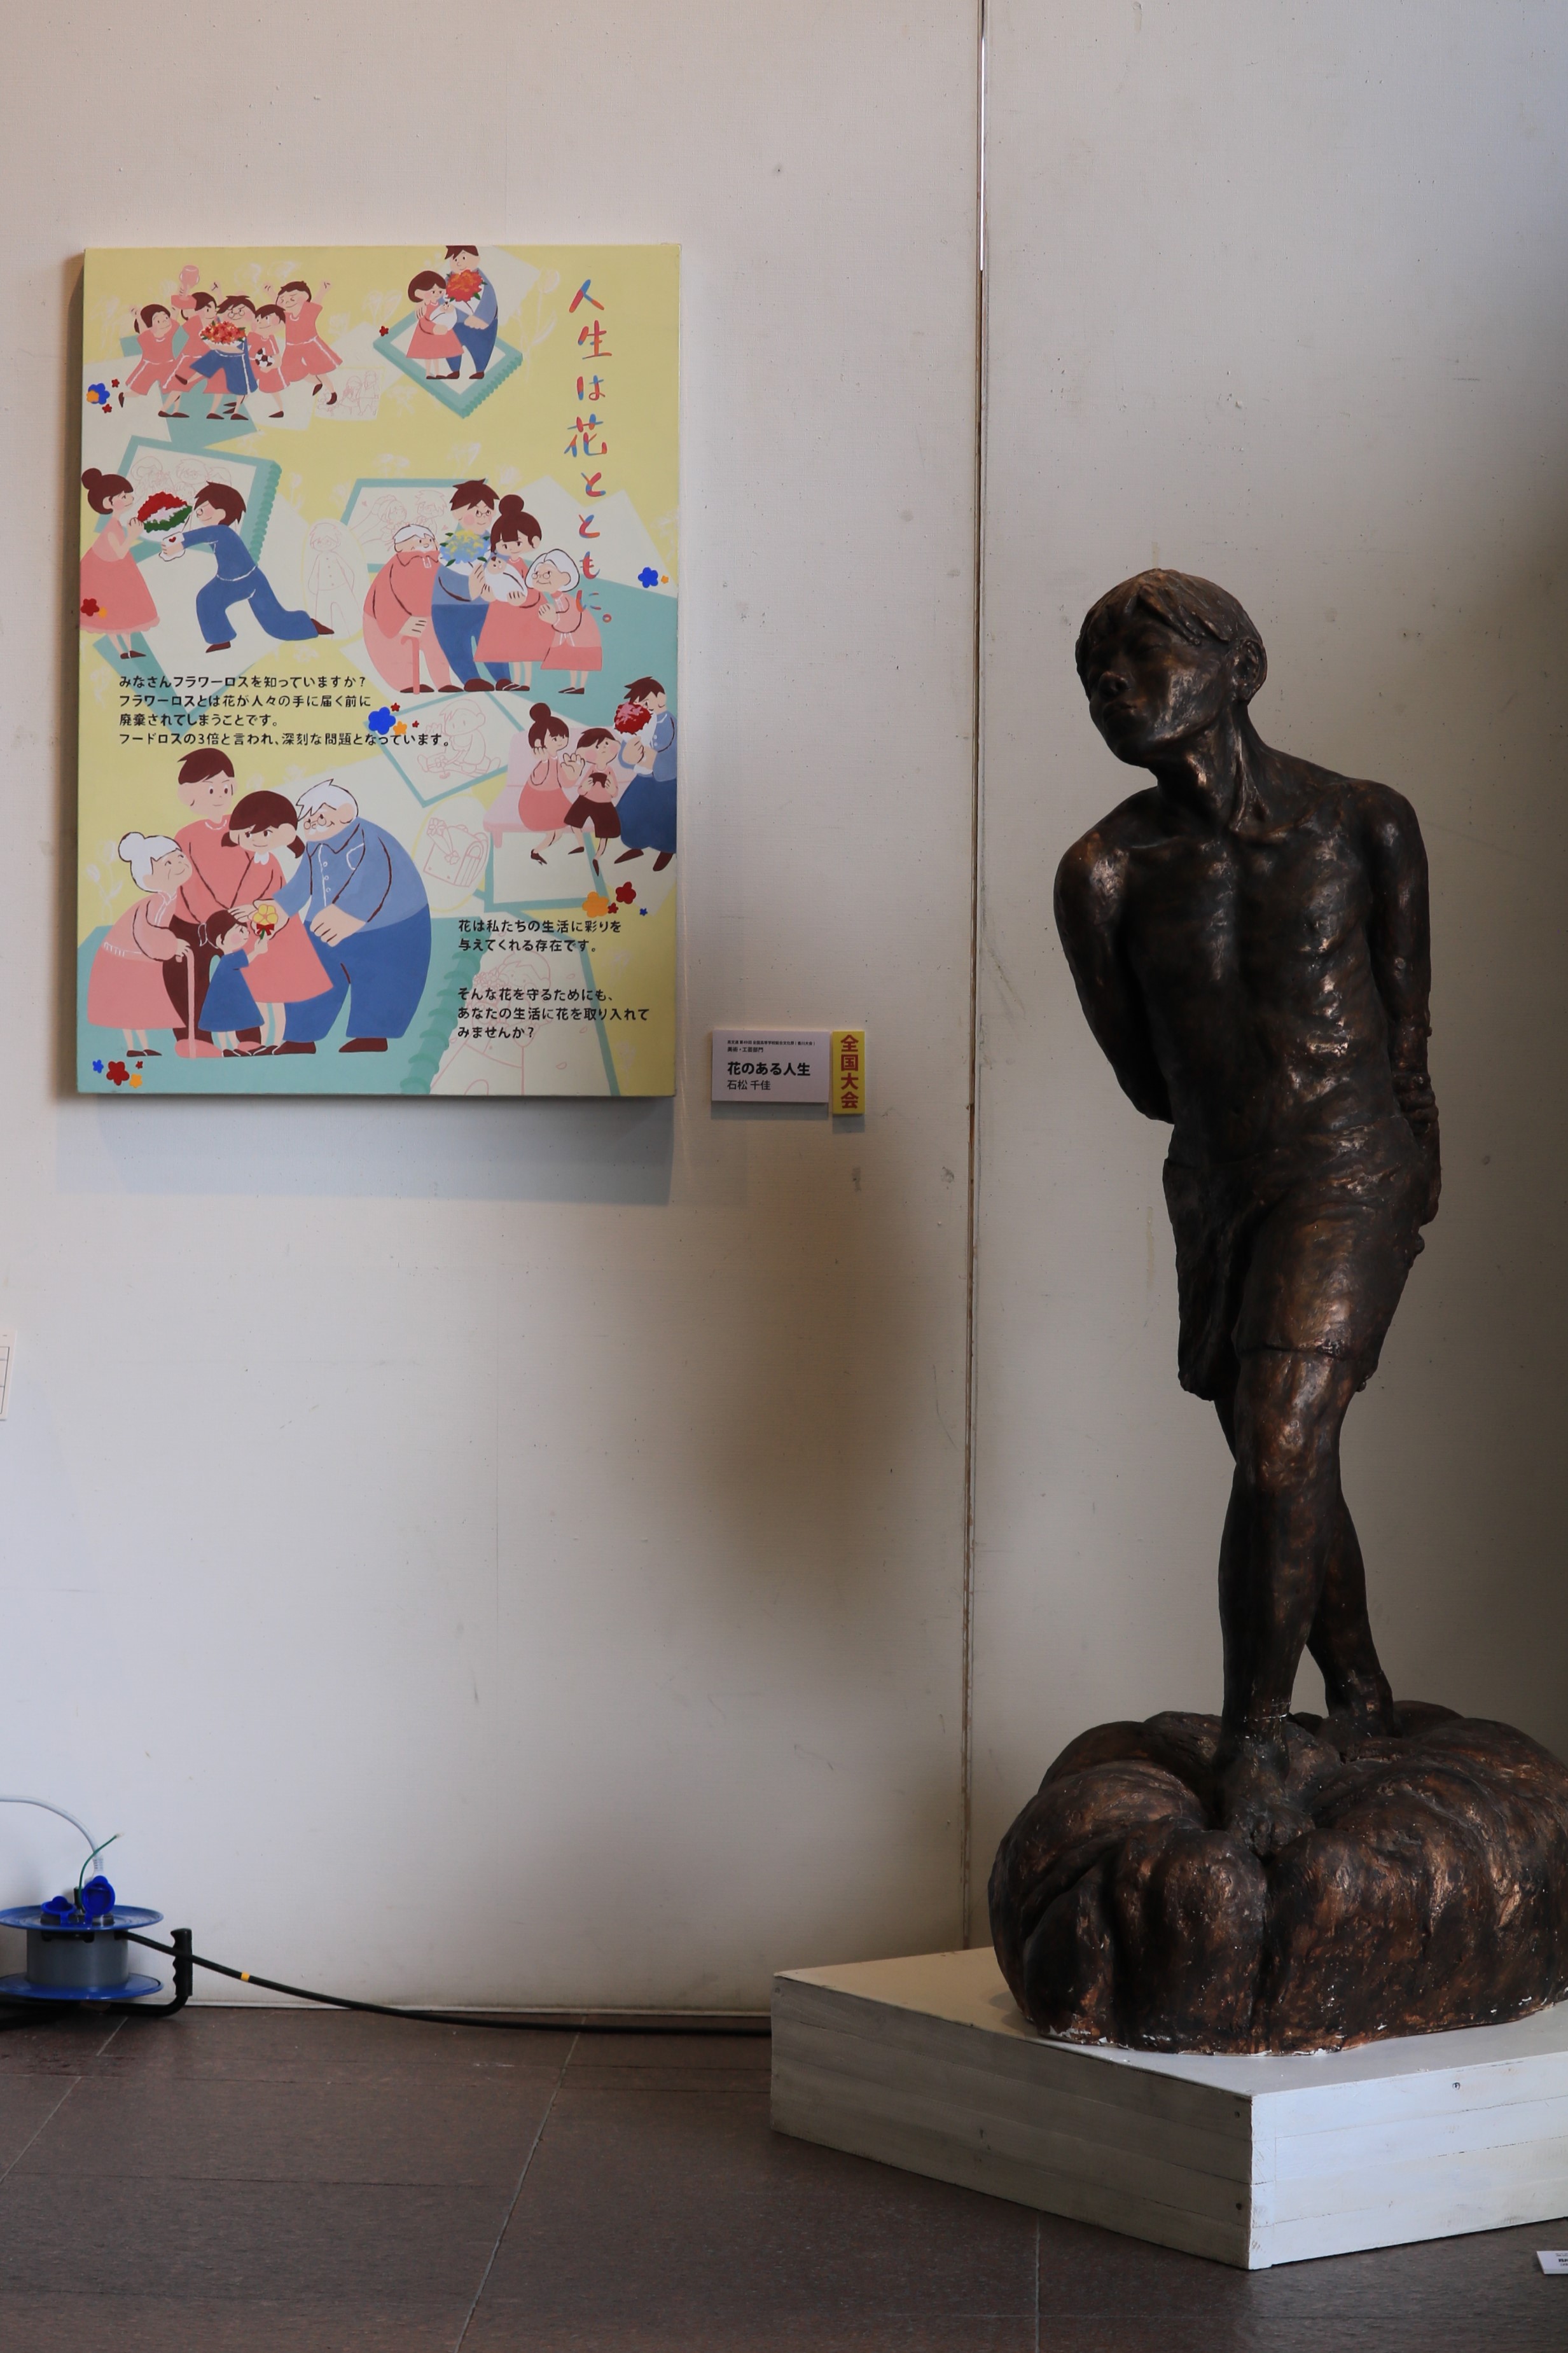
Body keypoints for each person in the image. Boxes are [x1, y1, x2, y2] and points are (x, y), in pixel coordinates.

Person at [1057, 569, 1440, 1856]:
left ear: (1240, 666)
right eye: (1093, 672)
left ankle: (1257, 1737)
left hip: (1349, 1166)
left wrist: (1411, 1163)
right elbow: (1142, 1078)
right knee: (1284, 1452)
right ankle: (1361, 1689)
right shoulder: (1103, 870)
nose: (1113, 683)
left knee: (1278, 1439)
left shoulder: (1364, 822)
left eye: (1142, 653)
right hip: (1220, 1187)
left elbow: (1405, 1023)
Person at [254, 782, 431, 1054]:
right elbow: (302, 883)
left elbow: (377, 878)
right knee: (309, 973)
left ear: (346, 813)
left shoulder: (371, 839)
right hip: (324, 923)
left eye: (320, 817)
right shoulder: (315, 847)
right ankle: (301, 1037)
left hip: (386, 926)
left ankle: (372, 1036)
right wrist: (279, 908)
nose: (313, 826)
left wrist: (351, 913)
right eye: (308, 821)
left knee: (380, 979)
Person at [196, 790, 331, 1051]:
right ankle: (256, 1042)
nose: (257, 840)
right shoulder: (247, 862)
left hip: (272, 932)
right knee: (254, 993)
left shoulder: (271, 864)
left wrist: (255, 912)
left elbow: (279, 899)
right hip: (250, 932)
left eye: (266, 833)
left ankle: (281, 1041)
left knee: (279, 991)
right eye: (249, 834)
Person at [159, 482, 333, 655]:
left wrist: (180, 543)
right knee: (206, 599)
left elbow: (202, 535)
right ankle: (221, 638)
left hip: (251, 582)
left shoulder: (223, 532)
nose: (199, 513)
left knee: (275, 624)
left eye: (204, 509)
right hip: (225, 582)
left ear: (221, 513)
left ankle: (309, 625)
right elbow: (202, 535)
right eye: (199, 510)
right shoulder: (217, 531)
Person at [162, 746, 261, 1046]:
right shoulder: (186, 835)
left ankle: (249, 1039)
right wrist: (212, 919)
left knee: (242, 973)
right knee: (183, 972)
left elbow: (258, 870)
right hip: (193, 922)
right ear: (188, 795)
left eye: (225, 786)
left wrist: (246, 910)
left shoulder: (246, 828)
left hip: (238, 919)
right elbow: (185, 884)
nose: (219, 794)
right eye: (209, 788)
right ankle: (195, 1039)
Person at [87, 833, 193, 1050]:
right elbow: (146, 933)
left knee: (140, 1006)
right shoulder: (157, 902)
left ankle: (144, 1048)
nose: (179, 864)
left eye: (180, 856)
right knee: (129, 1007)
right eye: (168, 863)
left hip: (140, 958)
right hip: (123, 959)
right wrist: (173, 946)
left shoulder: (174, 897)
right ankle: (132, 1048)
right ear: (149, 879)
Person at [486, 702, 582, 863]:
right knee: (559, 829)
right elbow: (538, 781)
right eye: (555, 738)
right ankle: (538, 852)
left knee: (561, 829)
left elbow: (565, 783)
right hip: (536, 805)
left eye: (563, 737)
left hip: (554, 800)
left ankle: (538, 852)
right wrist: (544, 762)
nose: (561, 741)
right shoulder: (543, 763)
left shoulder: (555, 759)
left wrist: (575, 773)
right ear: (539, 743)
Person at [362, 525, 451, 693]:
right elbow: (384, 597)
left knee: (438, 650)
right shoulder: (396, 566)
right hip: (395, 620)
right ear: (400, 547)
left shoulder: (439, 563)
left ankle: (444, 682)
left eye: (429, 540)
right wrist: (401, 622)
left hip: (432, 617)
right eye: (419, 541)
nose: (426, 544)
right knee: (399, 652)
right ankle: (406, 683)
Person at [80, 469, 158, 660]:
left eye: (128, 495)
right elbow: (120, 553)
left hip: (114, 574)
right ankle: (121, 651)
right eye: (123, 496)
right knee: (111, 617)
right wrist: (132, 535)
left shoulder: (115, 525)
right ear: (109, 502)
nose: (130, 498)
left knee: (122, 615)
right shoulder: (111, 528)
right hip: (105, 578)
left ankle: (129, 650)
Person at [430, 480, 501, 689]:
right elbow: (445, 579)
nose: (483, 517)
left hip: (484, 605)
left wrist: (495, 592)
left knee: (492, 642)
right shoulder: (452, 546)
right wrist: (469, 590)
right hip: (448, 608)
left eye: (488, 512)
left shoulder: (495, 544)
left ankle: (503, 678)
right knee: (456, 646)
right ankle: (471, 679)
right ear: (458, 514)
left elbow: (503, 571)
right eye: (477, 512)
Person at [475, 499, 547, 689]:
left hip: (523, 615)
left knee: (524, 653)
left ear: (534, 541)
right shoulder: (499, 565)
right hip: (505, 613)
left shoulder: (523, 566)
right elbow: (490, 585)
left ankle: (526, 682)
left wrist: (524, 600)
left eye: (517, 543)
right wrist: (488, 596)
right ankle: (516, 681)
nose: (511, 548)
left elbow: (533, 589)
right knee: (513, 652)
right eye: (505, 545)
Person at [611, 677, 676, 870]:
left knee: (664, 817)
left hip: (665, 783)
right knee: (630, 812)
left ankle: (666, 849)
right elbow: (626, 751)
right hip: (643, 780)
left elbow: (674, 755)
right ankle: (636, 845)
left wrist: (653, 760)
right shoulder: (641, 722)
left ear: (661, 698)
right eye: (640, 706)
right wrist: (628, 757)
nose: (645, 709)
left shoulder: (670, 723)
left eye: (647, 703)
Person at [530, 548, 600, 693]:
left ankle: (581, 686)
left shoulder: (566, 599)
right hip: (569, 633)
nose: (540, 578)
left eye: (547, 573)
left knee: (582, 659)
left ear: (565, 577)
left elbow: (571, 619)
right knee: (572, 660)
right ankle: (574, 685)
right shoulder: (556, 598)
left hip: (582, 634)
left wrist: (554, 619)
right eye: (537, 574)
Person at [275, 279, 340, 404]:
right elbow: (277, 306)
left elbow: (315, 303)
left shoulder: (307, 312)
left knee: (319, 370)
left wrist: (323, 290)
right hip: (292, 347)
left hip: (310, 345)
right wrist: (271, 292)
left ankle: (332, 392)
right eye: (283, 300)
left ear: (304, 298)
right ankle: (316, 382)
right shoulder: (287, 316)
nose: (287, 302)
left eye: (292, 298)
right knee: (289, 369)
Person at [564, 726, 621, 857]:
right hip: (586, 800)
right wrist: (585, 787)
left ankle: (598, 855)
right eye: (597, 747)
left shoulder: (610, 771)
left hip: (604, 804)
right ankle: (581, 845)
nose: (603, 749)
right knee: (574, 821)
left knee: (605, 832)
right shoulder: (592, 769)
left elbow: (615, 793)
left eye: (606, 744)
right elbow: (580, 790)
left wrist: (612, 789)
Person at [443, 244, 499, 380]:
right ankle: (454, 370)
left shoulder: (482, 281)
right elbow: (439, 295)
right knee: (451, 346)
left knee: (480, 347)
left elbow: (489, 300)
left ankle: (480, 370)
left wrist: (482, 317)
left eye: (463, 258)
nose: (459, 263)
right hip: (454, 323)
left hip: (479, 325)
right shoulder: (448, 280)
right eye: (455, 259)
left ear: (477, 259)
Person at [405, 270, 462, 378]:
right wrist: (433, 328)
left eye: (440, 291)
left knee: (436, 354)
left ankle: (437, 373)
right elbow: (424, 321)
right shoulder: (424, 306)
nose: (437, 294)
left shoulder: (438, 304)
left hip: (438, 333)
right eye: (433, 291)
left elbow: (442, 315)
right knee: (429, 355)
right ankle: (428, 373)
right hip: (427, 334)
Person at [120, 304, 180, 406]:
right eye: (158, 321)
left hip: (168, 365)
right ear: (150, 327)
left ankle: (176, 410)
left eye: (166, 318)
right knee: (137, 392)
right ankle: (123, 395)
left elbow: (173, 322)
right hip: (150, 366)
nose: (165, 322)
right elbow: (144, 331)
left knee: (175, 389)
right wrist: (138, 317)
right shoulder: (147, 338)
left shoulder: (169, 334)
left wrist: (175, 312)